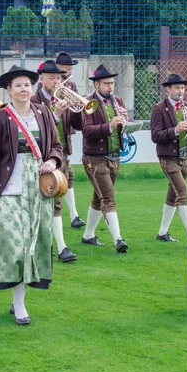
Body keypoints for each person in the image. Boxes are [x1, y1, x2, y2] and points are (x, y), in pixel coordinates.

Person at [0, 64, 64, 326]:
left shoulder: (43, 112)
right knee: (15, 247)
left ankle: (19, 301)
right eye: (18, 85)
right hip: (10, 190)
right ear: (9, 90)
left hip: (38, 191)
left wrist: (52, 160)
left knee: (33, 246)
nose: (23, 89)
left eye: (27, 84)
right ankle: (18, 303)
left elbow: (57, 146)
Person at [31, 59, 82, 262]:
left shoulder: (63, 97)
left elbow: (78, 125)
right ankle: (56, 246)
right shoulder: (34, 101)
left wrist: (77, 106)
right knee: (43, 205)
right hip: (41, 161)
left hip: (62, 157)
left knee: (56, 203)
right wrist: (55, 115)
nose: (56, 82)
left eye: (59, 78)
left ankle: (58, 247)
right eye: (52, 78)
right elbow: (37, 131)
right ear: (42, 79)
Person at [80, 64, 129, 253]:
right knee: (108, 197)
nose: (110, 87)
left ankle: (88, 235)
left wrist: (126, 120)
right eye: (107, 83)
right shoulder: (89, 103)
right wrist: (109, 125)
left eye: (112, 83)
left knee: (98, 197)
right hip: (95, 158)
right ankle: (118, 239)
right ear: (97, 84)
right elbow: (86, 130)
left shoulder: (118, 100)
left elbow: (124, 126)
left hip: (114, 156)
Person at [150, 73, 187, 242]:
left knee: (172, 195)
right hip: (168, 157)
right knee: (183, 193)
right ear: (168, 89)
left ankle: (162, 232)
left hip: (185, 156)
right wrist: (175, 130)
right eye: (177, 88)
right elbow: (155, 136)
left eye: (183, 88)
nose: (181, 91)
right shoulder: (159, 108)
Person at [53, 52, 86, 228]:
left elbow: (77, 111)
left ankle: (74, 216)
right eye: (67, 69)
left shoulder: (71, 85)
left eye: (71, 69)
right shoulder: (47, 86)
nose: (70, 72)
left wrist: (78, 105)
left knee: (69, 176)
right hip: (53, 140)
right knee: (59, 180)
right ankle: (69, 216)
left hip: (66, 137)